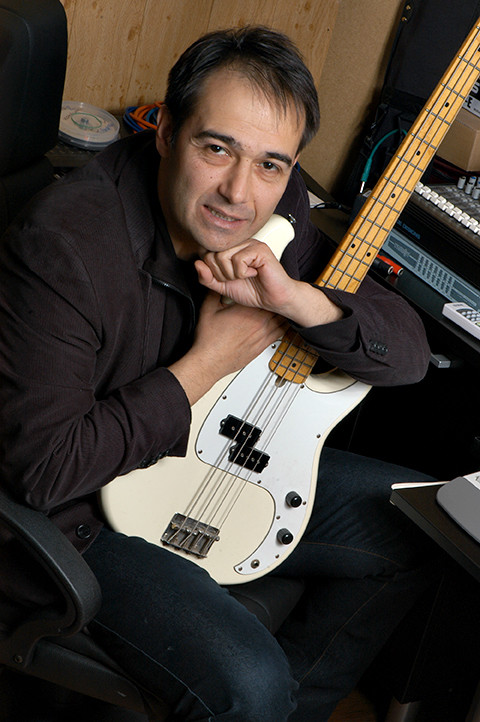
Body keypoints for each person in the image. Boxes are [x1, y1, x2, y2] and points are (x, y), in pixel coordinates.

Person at [0, 25, 436, 721]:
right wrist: (209, 363)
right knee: (249, 683)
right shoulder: (62, 246)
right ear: (167, 132)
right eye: (216, 148)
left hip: (227, 457)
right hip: (87, 517)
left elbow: (408, 357)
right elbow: (47, 470)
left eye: (271, 164)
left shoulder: (277, 207)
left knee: (417, 523)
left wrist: (302, 301)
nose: (239, 192)